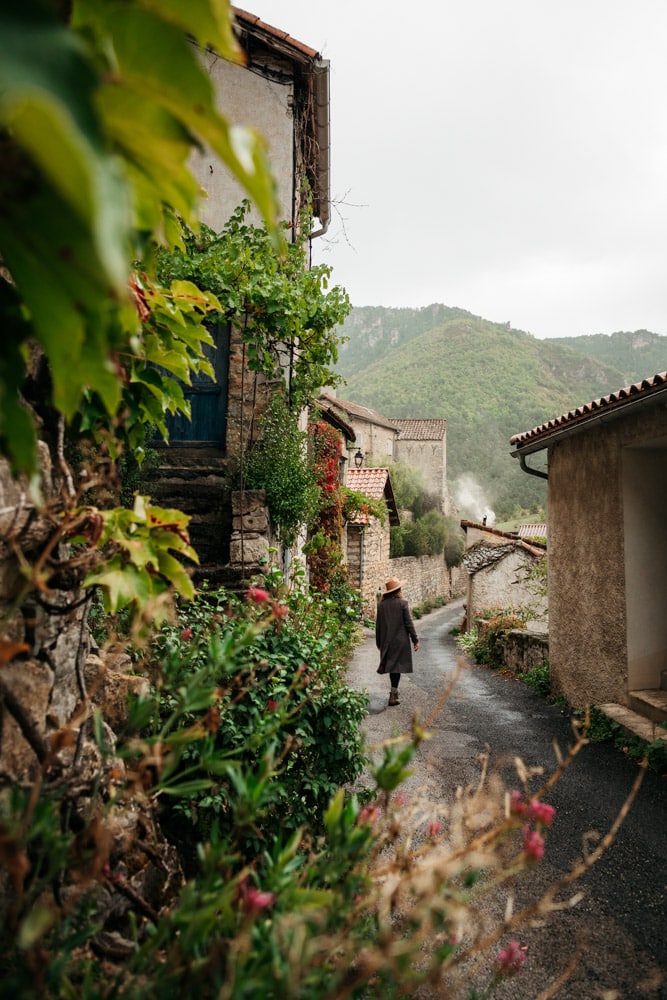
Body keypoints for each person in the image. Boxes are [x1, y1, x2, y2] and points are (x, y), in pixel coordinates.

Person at [375, 577, 419, 707]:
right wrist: (415, 639)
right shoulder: (402, 603)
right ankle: (393, 694)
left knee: (393, 668)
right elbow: (409, 623)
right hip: (400, 642)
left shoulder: (381, 605)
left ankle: (394, 693)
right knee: (396, 668)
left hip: (387, 641)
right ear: (398, 590)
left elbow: (378, 625)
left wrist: (379, 642)